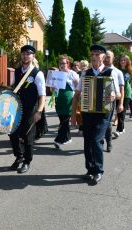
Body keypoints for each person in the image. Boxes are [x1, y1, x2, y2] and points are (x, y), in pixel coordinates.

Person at [71, 44, 121, 185]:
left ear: (104, 57)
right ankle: (90, 169)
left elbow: (118, 94)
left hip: (104, 113)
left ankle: (98, 170)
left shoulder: (111, 72)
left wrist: (113, 95)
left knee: (96, 140)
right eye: (92, 54)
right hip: (87, 112)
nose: (94, 57)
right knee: (87, 141)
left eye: (97, 54)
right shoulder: (85, 73)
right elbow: (76, 95)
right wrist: (73, 115)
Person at [9, 45, 46, 174]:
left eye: (28, 54)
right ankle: (19, 157)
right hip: (17, 108)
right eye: (23, 53)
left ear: (33, 56)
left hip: (31, 109)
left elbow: (42, 95)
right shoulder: (17, 71)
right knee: (12, 133)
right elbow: (13, 88)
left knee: (28, 136)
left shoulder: (37, 73)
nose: (25, 56)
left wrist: (39, 111)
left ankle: (27, 161)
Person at [53, 54, 79, 149]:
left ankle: (58, 140)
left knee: (64, 121)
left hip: (69, 101)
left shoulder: (72, 74)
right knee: (62, 121)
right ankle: (67, 138)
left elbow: (78, 87)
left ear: (68, 63)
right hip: (59, 100)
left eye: (64, 63)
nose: (62, 65)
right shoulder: (56, 74)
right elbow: (52, 89)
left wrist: (77, 99)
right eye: (60, 63)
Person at [103, 50, 124, 152]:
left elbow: (121, 89)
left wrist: (120, 104)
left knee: (107, 123)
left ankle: (109, 142)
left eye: (108, 57)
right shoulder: (100, 70)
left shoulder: (117, 72)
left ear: (113, 58)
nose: (106, 59)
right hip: (98, 101)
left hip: (110, 101)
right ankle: (100, 142)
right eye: (105, 56)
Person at [114, 54, 132, 135]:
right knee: (118, 110)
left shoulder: (130, 70)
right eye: (121, 60)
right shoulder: (116, 70)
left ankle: (119, 129)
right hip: (118, 92)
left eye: (124, 60)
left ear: (128, 61)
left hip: (127, 93)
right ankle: (122, 127)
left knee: (123, 111)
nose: (123, 61)